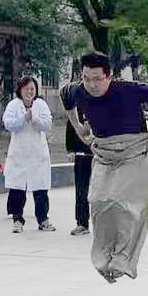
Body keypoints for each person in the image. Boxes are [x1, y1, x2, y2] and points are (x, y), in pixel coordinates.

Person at [62, 53, 148, 283]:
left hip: (134, 150)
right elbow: (66, 95)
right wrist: (78, 126)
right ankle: (104, 258)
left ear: (109, 77)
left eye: (97, 79)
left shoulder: (127, 89)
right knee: (97, 201)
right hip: (104, 151)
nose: (91, 84)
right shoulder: (78, 90)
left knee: (121, 203)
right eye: (86, 78)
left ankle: (123, 258)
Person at [3, 76, 56, 233]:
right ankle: (17, 220)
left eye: (32, 89)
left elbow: (47, 125)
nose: (29, 92)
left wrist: (34, 118)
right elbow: (8, 124)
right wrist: (23, 118)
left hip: (38, 155)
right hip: (19, 155)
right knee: (17, 189)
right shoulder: (13, 105)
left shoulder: (41, 105)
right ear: (20, 90)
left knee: (41, 190)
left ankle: (43, 220)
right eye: (26, 89)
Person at [60, 81, 92, 236]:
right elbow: (70, 127)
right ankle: (82, 223)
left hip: (101, 153)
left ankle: (105, 224)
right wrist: (71, 149)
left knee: (103, 191)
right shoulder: (76, 106)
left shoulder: (102, 102)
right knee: (81, 190)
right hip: (81, 153)